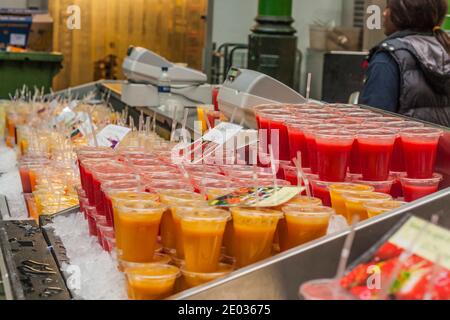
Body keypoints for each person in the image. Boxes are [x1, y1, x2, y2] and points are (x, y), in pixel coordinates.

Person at [360, 0, 450, 127]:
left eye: (388, 8)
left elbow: (372, 127)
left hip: (404, 147)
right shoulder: (444, 47)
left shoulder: (389, 58)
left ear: (402, 15)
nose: (384, 14)